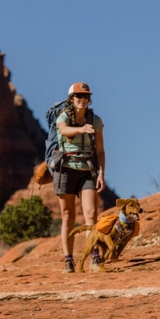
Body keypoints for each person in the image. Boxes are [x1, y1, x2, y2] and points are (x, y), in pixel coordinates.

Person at [52, 82, 106, 273]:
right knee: (68, 216)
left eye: (85, 96)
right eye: (78, 96)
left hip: (86, 170)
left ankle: (94, 256)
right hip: (65, 169)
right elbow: (63, 130)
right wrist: (81, 130)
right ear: (71, 99)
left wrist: (102, 174)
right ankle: (68, 260)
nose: (82, 100)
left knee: (91, 215)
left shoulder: (95, 120)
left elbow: (100, 150)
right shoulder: (64, 116)